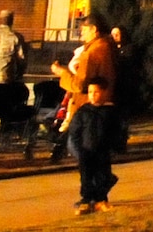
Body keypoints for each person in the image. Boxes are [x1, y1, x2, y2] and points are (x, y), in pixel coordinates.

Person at [51, 16, 120, 214]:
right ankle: (98, 192)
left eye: (84, 29)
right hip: (105, 105)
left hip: (87, 107)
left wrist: (62, 73)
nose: (81, 33)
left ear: (94, 30)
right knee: (94, 153)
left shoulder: (94, 52)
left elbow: (80, 84)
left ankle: (95, 190)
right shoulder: (110, 48)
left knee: (81, 150)